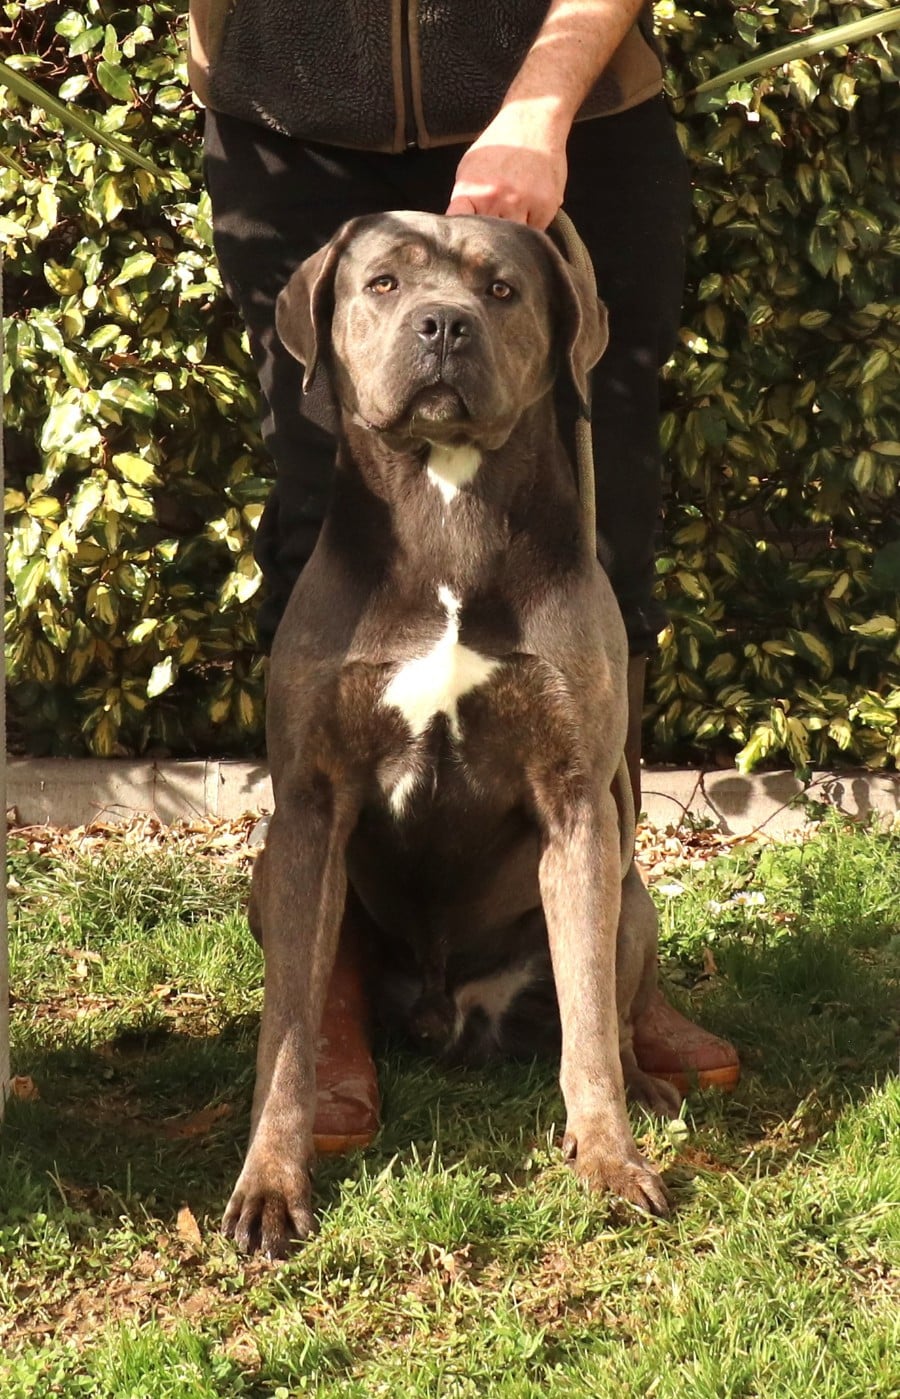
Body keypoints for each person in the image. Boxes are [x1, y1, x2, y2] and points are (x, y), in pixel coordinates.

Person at [188, 0, 740, 1146]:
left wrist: (543, 103)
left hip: (566, 111)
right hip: (292, 123)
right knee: (317, 545)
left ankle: (611, 986)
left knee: (600, 556)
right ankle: (328, 1006)